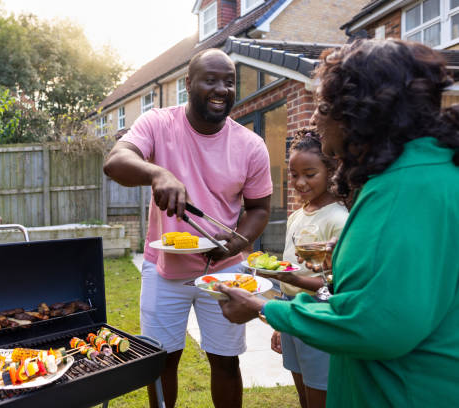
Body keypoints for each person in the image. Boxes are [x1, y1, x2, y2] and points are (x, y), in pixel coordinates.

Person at [217, 39, 459, 407]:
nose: (314, 119)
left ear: (359, 114)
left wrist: (264, 307)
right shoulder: (431, 173)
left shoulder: (402, 192)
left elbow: (378, 323)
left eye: (323, 106)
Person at [103, 48, 272, 408]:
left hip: (224, 271)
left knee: (225, 361)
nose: (222, 89)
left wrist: (236, 243)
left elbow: (259, 209)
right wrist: (157, 172)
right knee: (161, 360)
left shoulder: (251, 145)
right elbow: (116, 162)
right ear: (188, 84)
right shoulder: (157, 123)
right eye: (211, 79)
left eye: (229, 81)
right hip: (164, 269)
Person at [267, 128, 348, 408]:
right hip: (292, 310)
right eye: (294, 175)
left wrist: (288, 278)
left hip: (318, 313)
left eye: (309, 174)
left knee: (319, 394)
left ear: (331, 171)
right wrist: (281, 321)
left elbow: (337, 284)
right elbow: (289, 272)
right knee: (302, 391)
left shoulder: (338, 218)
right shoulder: (297, 216)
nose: (300, 182)